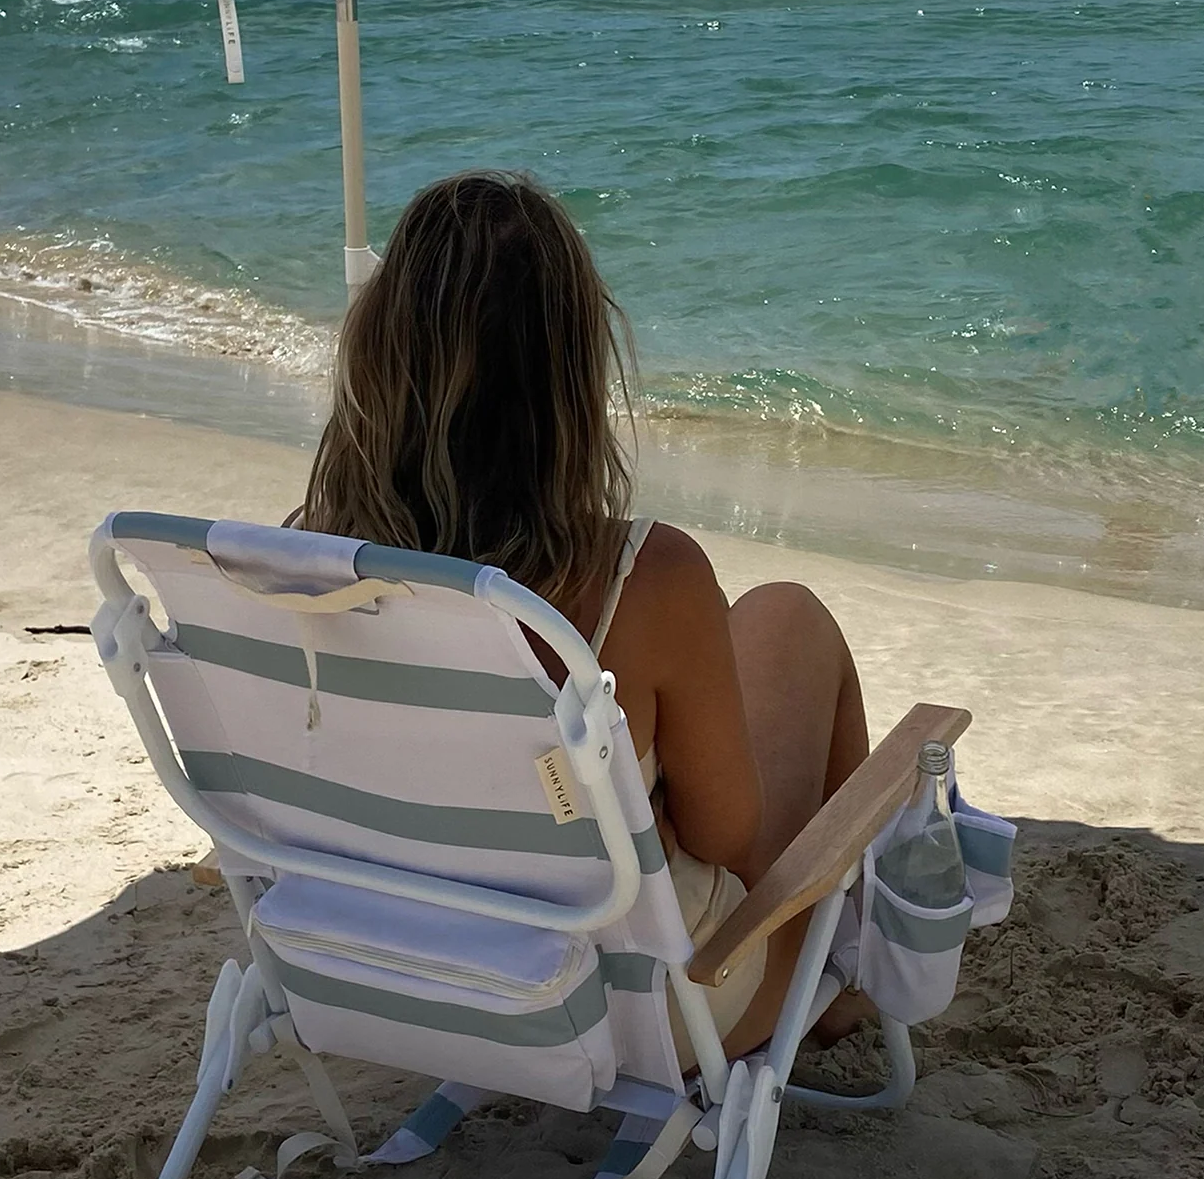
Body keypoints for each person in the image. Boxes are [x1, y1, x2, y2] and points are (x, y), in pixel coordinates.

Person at [301, 168, 869, 1060]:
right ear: (569, 378)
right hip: (639, 1012)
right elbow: (728, 839)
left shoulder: (305, 567)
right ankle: (836, 992)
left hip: (394, 971)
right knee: (787, 616)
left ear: (376, 351)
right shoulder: (644, 579)